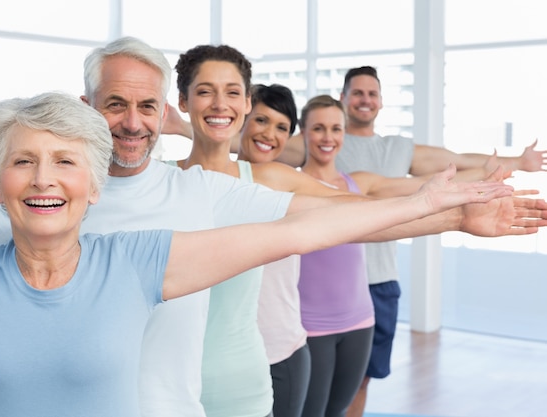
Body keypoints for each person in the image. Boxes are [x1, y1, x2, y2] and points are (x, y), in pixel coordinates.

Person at [0, 40, 545, 416]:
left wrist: (452, 215)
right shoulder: (9, 223)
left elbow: (322, 227)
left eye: (145, 107)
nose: (45, 181)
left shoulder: (162, 235)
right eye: (115, 104)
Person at [170, 45, 539, 417]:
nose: (220, 103)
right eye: (205, 91)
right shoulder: (162, 180)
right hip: (173, 384)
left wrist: (456, 218)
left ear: (246, 102)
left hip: (249, 379)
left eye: (232, 92)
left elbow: (357, 215)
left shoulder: (270, 180)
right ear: (184, 100)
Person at [278, 66, 547, 417]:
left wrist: (508, 169)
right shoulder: (294, 170)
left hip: (367, 296)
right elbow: (251, 141)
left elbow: (447, 171)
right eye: (356, 93)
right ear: (341, 101)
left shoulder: (378, 165)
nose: (328, 136)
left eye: (372, 93)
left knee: (357, 386)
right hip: (310, 306)